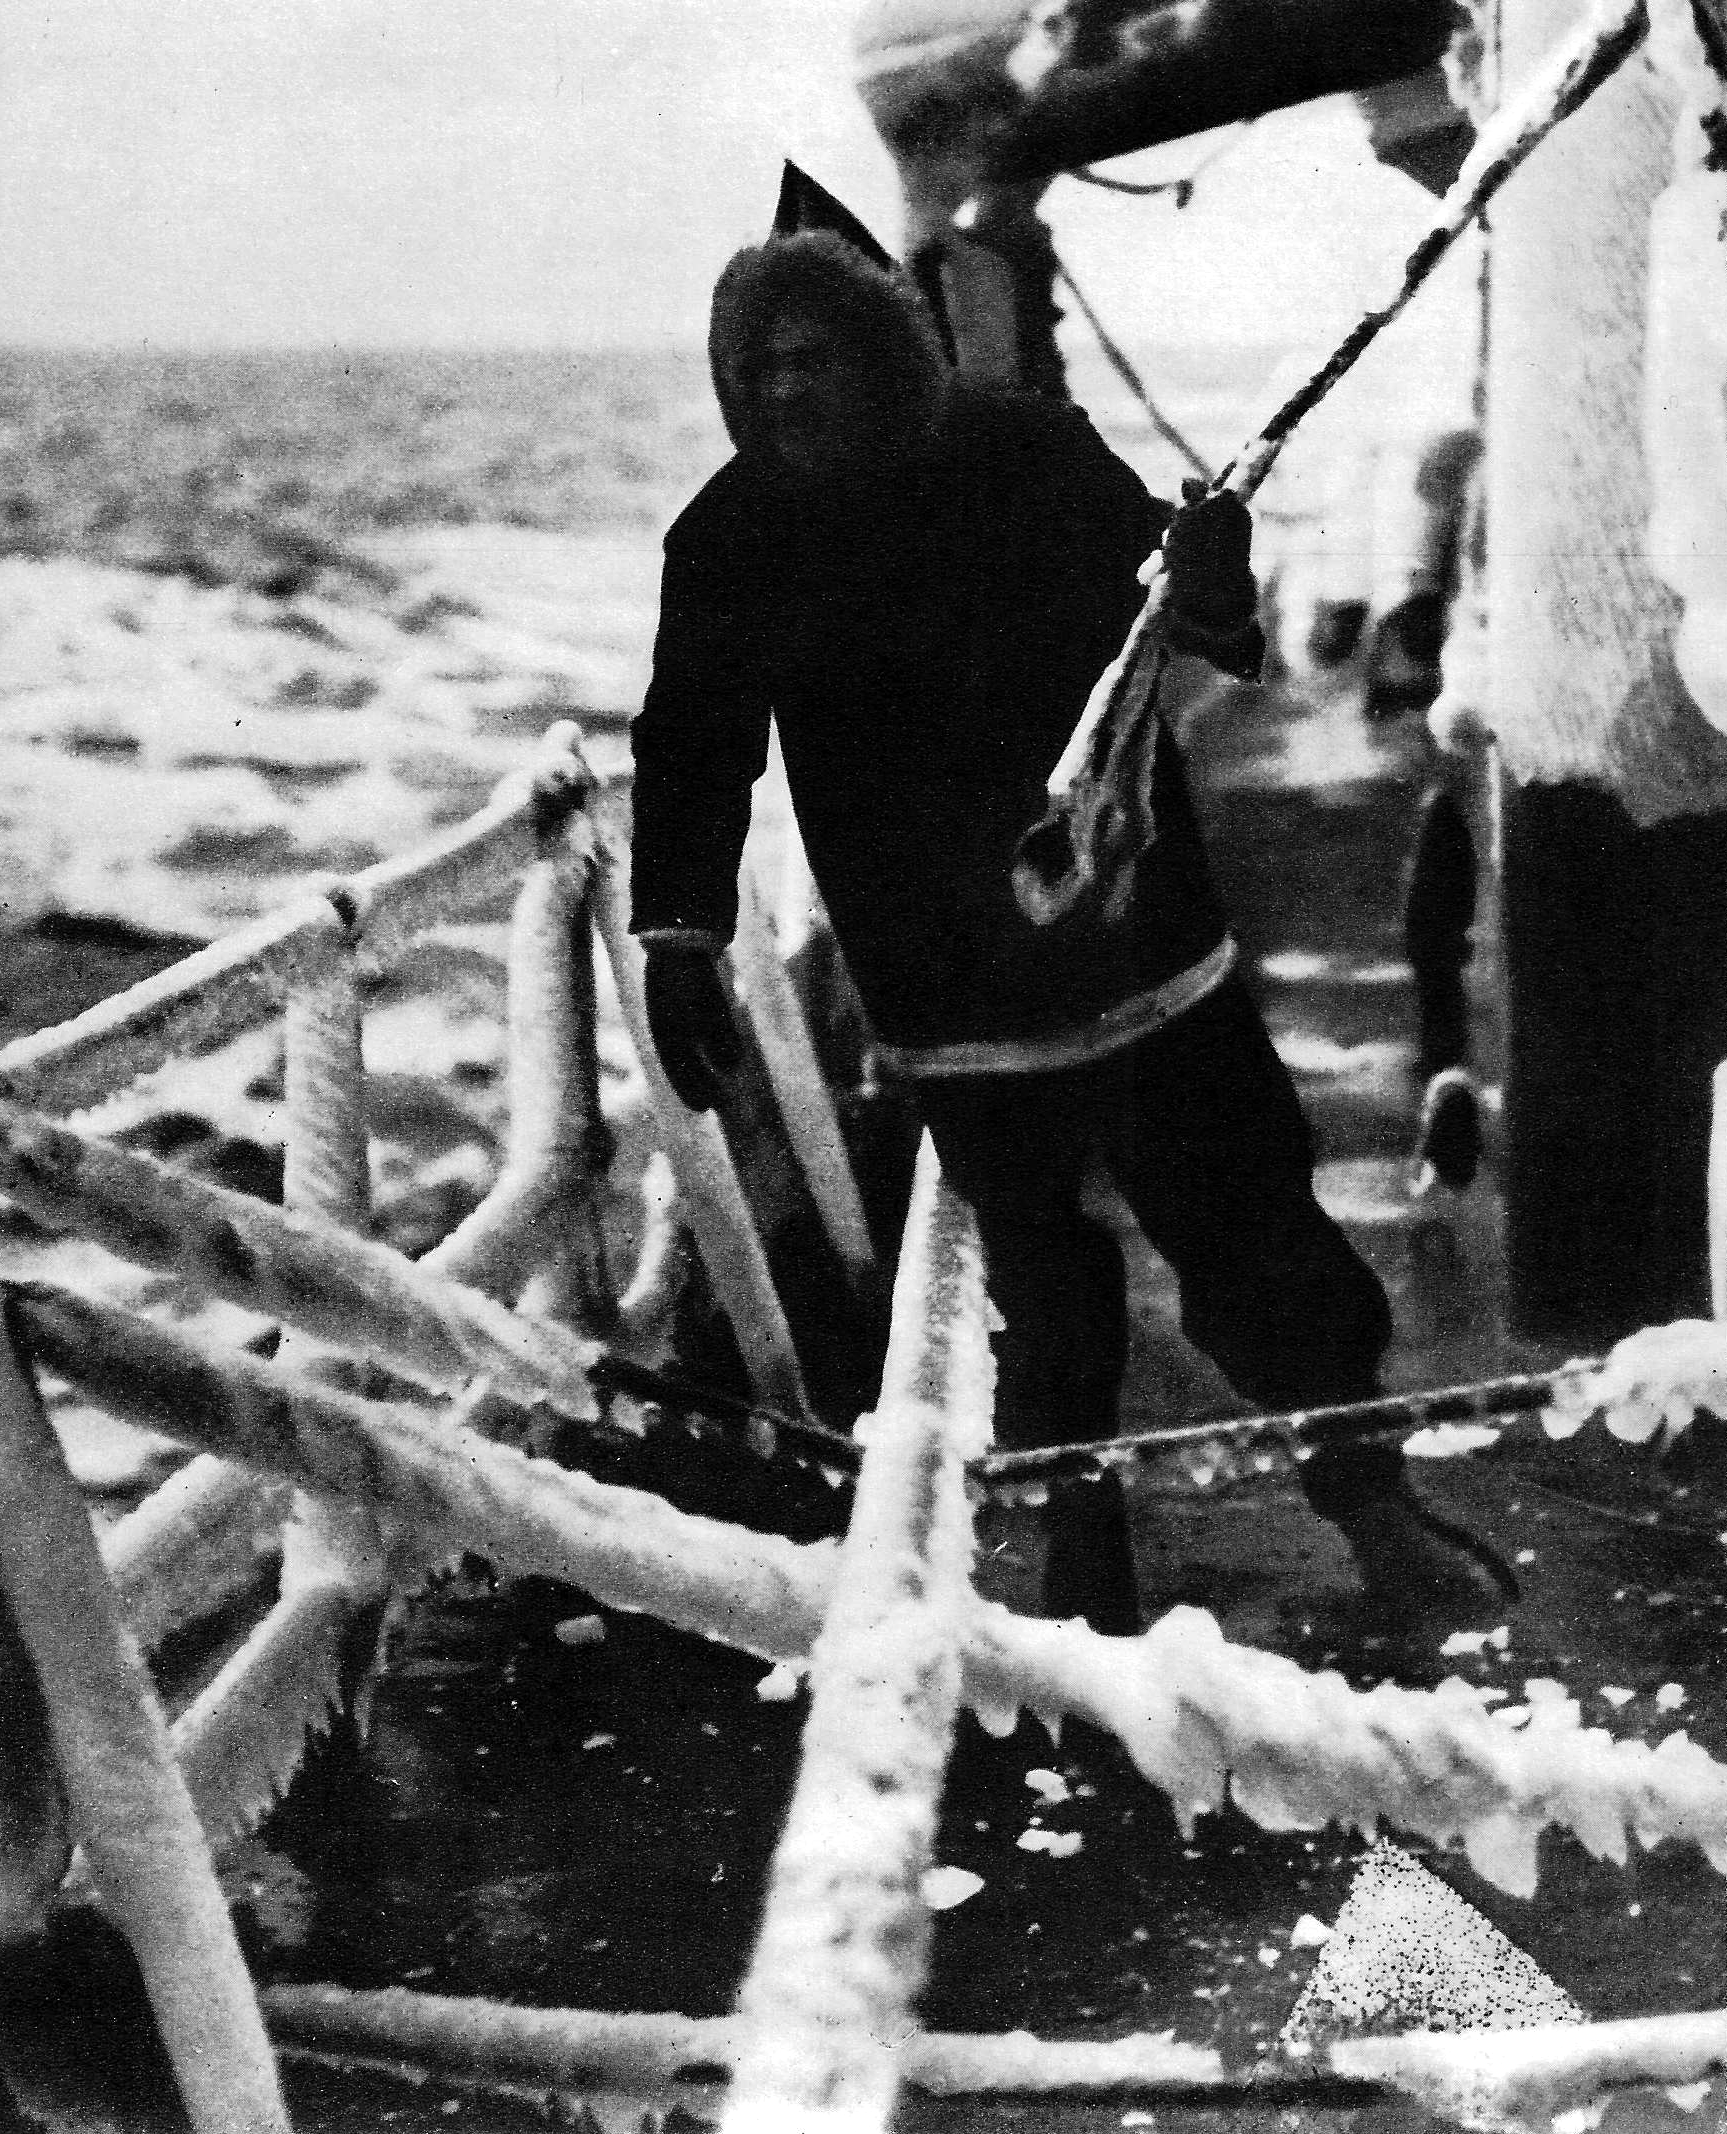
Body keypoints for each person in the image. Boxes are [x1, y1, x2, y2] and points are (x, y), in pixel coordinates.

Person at [628, 173, 1513, 1636]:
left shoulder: (1029, 451)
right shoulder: (726, 540)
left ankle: (1374, 1511)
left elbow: (1195, 621)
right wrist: (681, 935)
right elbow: (691, 748)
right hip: (952, 994)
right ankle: (1085, 1561)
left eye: (817, 354)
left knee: (1262, 1245)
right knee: (1044, 1298)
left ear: (884, 352)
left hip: (1140, 950)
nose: (788, 389)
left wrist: (1213, 572)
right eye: (760, 366)